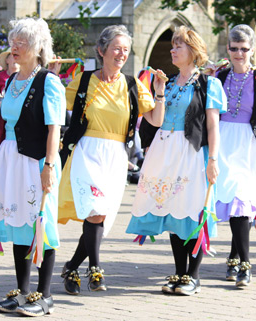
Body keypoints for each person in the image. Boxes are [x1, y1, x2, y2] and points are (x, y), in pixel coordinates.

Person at [58, 24, 165, 295]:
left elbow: (155, 119)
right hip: (87, 151)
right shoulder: (83, 80)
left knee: (100, 216)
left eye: (126, 49)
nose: (121, 54)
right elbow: (57, 105)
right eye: (116, 48)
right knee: (94, 211)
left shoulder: (132, 85)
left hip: (117, 155)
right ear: (101, 50)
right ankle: (95, 268)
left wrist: (160, 90)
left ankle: (71, 266)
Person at [0, 17, 65, 316]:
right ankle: (22, 291)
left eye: (21, 42)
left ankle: (45, 294)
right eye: (12, 41)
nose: (14, 47)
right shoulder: (13, 80)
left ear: (37, 47)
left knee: (42, 223)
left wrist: (49, 166)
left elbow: (54, 129)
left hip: (37, 160)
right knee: (19, 223)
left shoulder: (48, 81)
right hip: (11, 159)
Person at [127, 26, 226, 296]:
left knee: (192, 210)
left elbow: (213, 126)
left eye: (178, 45)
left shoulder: (209, 84)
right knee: (171, 210)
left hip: (192, 151)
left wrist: (213, 160)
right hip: (164, 151)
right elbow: (156, 121)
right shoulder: (168, 82)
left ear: (193, 50)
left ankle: (192, 276)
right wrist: (158, 91)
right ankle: (179, 271)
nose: (172, 50)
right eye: (172, 45)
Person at [212, 24, 256, 287]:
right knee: (231, 200)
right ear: (227, 49)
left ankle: (244, 263)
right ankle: (234, 257)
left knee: (241, 200)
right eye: (234, 48)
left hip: (251, 144)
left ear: (253, 49)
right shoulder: (220, 74)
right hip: (223, 141)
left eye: (244, 49)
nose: (239, 53)